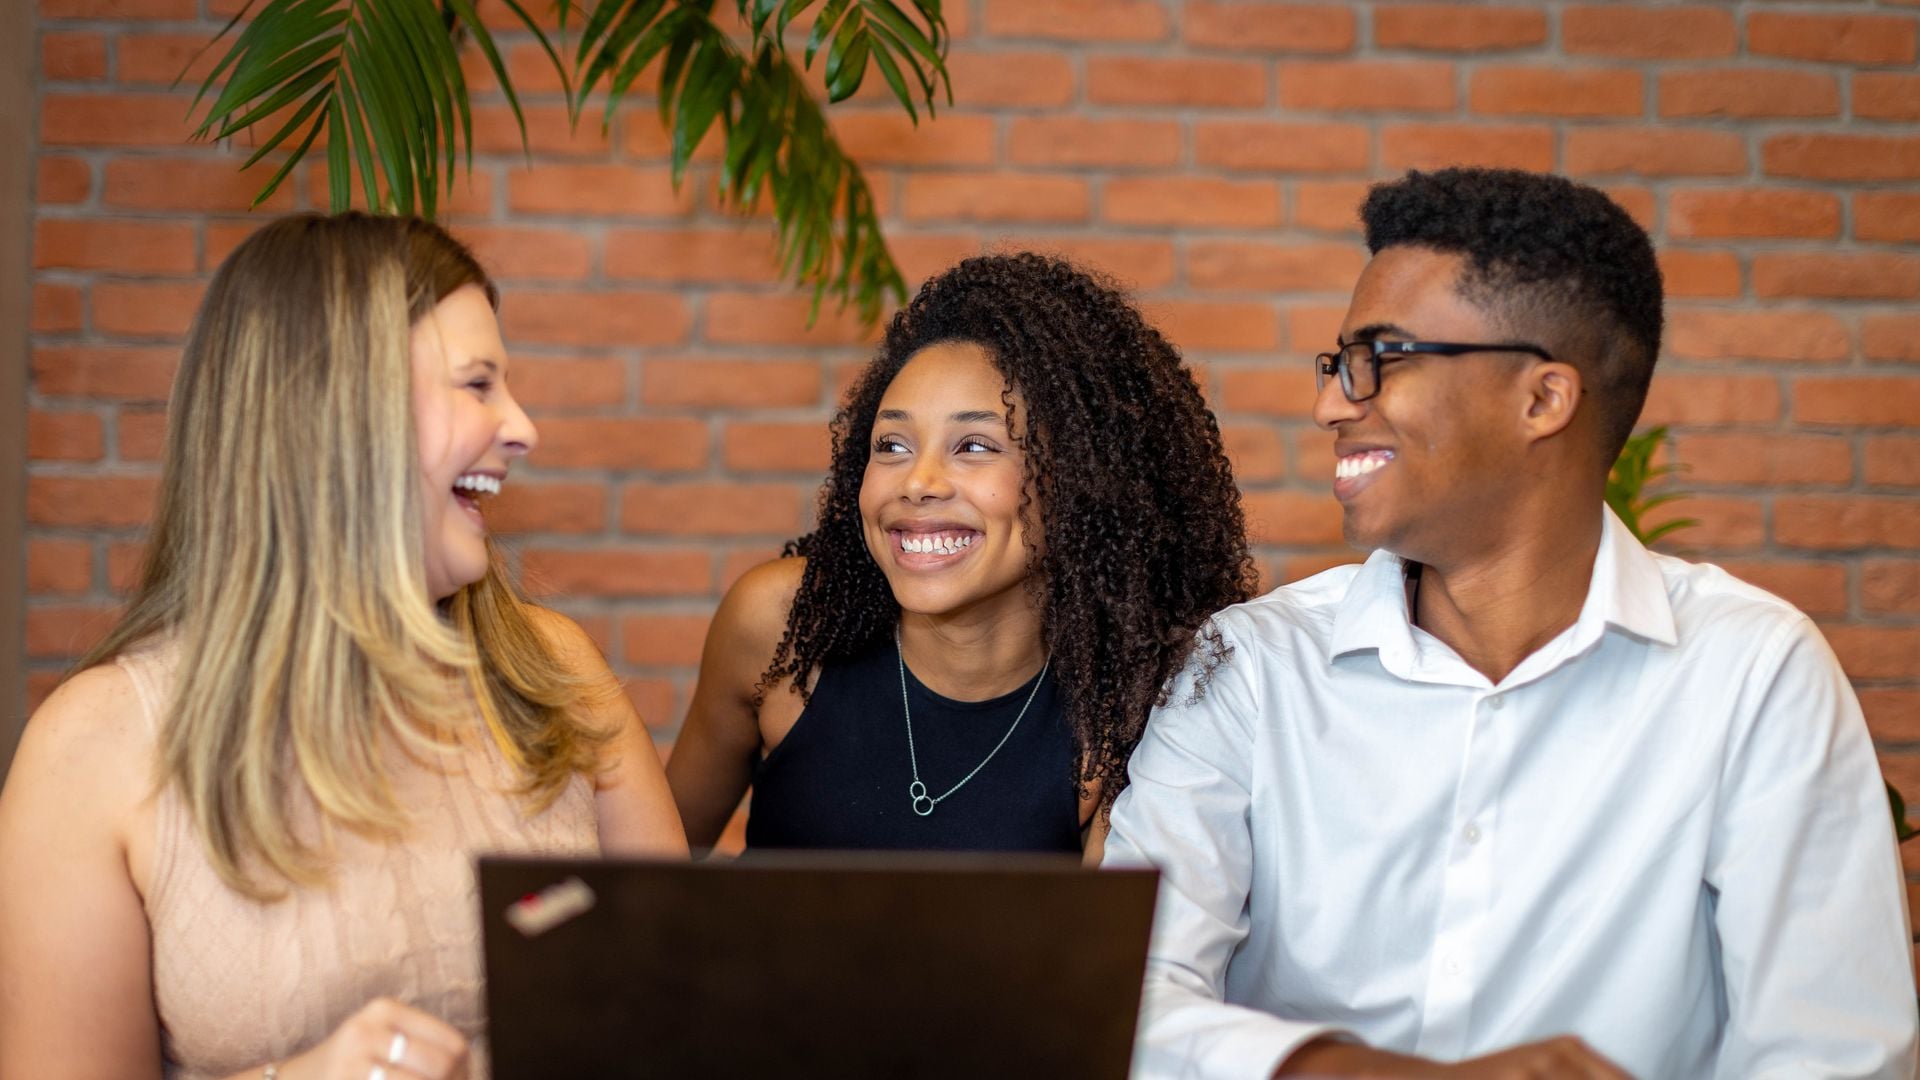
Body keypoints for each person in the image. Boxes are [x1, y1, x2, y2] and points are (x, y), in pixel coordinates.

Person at [1105, 168, 1917, 1079]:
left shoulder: (1752, 675)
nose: (1332, 403)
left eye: (1383, 356)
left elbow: (1832, 1056)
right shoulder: (1251, 668)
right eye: (1338, 363)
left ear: (1542, 399)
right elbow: (1125, 995)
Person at [0, 213, 688, 1080]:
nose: (521, 427)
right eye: (477, 384)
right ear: (341, 413)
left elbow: (694, 1006)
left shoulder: (555, 674)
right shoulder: (94, 748)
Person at [667, 252, 1257, 856]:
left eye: (974, 446)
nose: (918, 481)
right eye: (892, 444)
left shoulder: (1126, 705)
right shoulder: (782, 626)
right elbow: (645, 877)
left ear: (1081, 478)